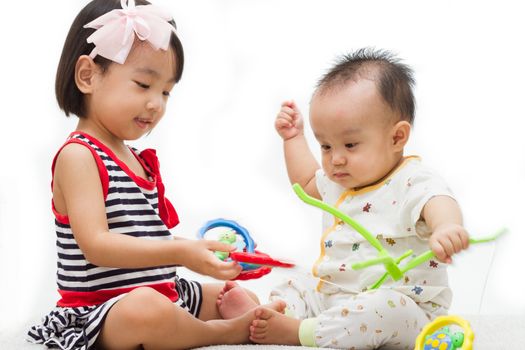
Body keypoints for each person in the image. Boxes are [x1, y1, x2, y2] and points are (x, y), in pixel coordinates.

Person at [27, 0, 283, 349]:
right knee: (147, 310)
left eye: (166, 92)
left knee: (231, 295)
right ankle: (222, 333)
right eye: (143, 85)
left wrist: (196, 250)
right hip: (102, 310)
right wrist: (180, 254)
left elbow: (147, 236)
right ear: (88, 75)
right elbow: (98, 246)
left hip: (163, 293)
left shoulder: (135, 159)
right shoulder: (79, 156)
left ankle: (227, 319)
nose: (156, 104)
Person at [248, 48, 470, 349]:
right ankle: (271, 314)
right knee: (298, 283)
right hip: (334, 294)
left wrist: (445, 227)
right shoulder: (342, 181)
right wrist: (293, 139)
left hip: (405, 310)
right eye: (325, 146)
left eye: (350, 145)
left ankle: (299, 333)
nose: (335, 159)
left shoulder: (411, 180)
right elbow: (307, 181)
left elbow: (437, 199)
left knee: (381, 309)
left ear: (396, 138)